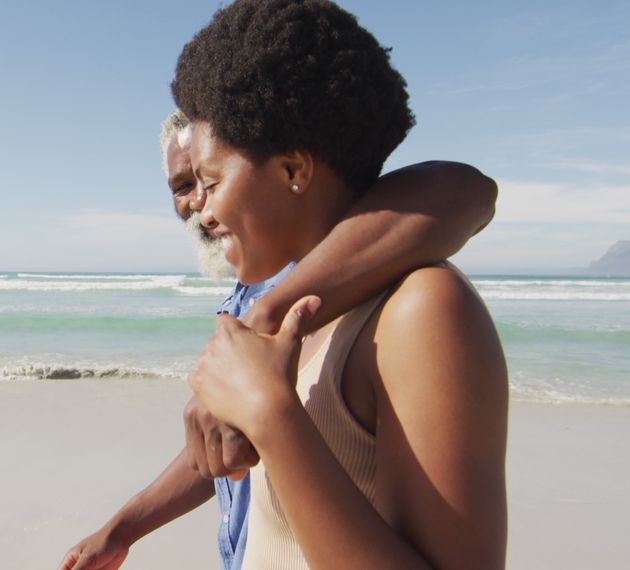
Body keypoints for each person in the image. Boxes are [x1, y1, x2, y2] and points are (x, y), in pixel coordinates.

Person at [177, 1, 508, 568]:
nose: (201, 212)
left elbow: (468, 188)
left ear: (293, 171)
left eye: (210, 181)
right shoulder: (304, 308)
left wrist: (270, 415)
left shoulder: (421, 310)